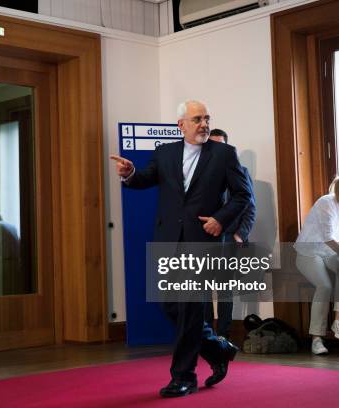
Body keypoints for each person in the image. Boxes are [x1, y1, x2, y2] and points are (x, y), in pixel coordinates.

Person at [110, 100, 252, 397]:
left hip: (201, 240)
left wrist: (221, 220)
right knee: (170, 305)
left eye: (207, 118)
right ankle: (217, 348)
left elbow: (242, 196)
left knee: (189, 308)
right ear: (181, 125)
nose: (203, 124)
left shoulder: (224, 154)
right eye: (197, 118)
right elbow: (145, 179)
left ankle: (183, 377)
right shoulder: (165, 152)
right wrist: (130, 173)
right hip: (168, 239)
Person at [294, 175, 339, 354]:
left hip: (330, 253)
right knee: (325, 286)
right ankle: (316, 339)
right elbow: (328, 238)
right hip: (308, 252)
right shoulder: (325, 203)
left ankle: (338, 321)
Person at [204, 129, 256, 339]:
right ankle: (206, 335)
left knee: (224, 290)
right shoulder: (198, 171)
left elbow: (250, 207)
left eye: (221, 145)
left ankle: (223, 335)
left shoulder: (241, 172)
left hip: (229, 238)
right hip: (205, 239)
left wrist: (240, 235)